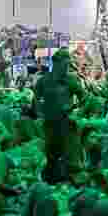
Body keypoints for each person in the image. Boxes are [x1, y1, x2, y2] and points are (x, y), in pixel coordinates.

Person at [34, 49, 85, 184]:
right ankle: (51, 181)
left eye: (68, 65)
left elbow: (84, 97)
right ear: (55, 63)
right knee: (50, 154)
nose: (66, 67)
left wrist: (77, 111)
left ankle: (72, 182)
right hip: (49, 122)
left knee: (71, 154)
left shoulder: (71, 80)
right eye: (64, 64)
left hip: (67, 122)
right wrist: (39, 115)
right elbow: (36, 99)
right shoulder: (44, 81)